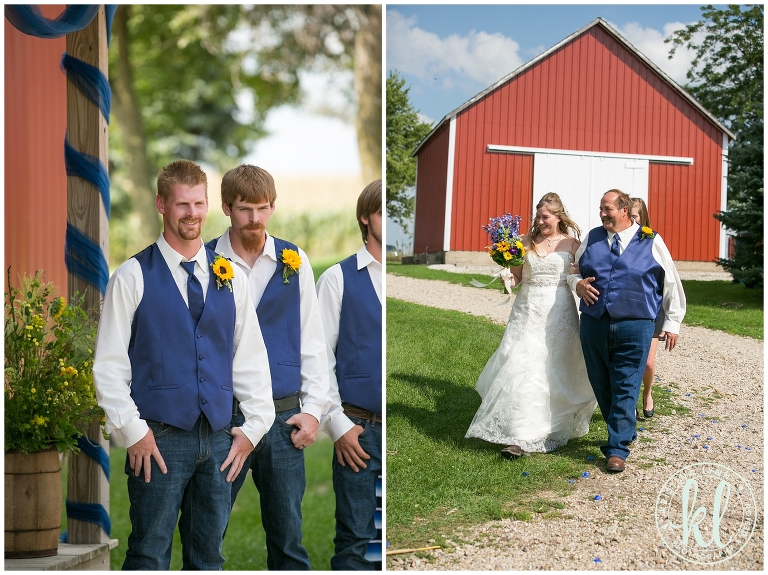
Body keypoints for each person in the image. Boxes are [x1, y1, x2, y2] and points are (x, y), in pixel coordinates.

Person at [93, 159, 275, 570]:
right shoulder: (132, 276)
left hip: (219, 438)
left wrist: (252, 430)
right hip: (158, 439)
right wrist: (134, 432)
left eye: (198, 203)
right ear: (162, 204)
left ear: (208, 205)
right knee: (148, 552)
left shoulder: (231, 277)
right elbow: (108, 366)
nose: (192, 214)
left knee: (208, 557)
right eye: (182, 204)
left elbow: (250, 358)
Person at [206, 164, 331, 570]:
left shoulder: (294, 260)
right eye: (245, 209)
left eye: (262, 208)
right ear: (226, 207)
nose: (255, 219)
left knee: (288, 539)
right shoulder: (204, 262)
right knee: (207, 535)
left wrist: (314, 411)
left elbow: (313, 340)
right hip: (224, 420)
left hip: (283, 418)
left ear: (273, 206)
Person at [465, 193, 597, 458]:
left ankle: (549, 424)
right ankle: (520, 434)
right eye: (537, 216)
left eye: (545, 217)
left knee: (554, 368)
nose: (540, 221)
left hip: (559, 312)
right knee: (522, 364)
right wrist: (508, 279)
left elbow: (578, 277)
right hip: (527, 311)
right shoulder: (524, 242)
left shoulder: (573, 244)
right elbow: (517, 277)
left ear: (558, 217)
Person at [568, 189, 685, 473]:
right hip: (594, 322)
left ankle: (617, 448)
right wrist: (577, 285)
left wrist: (672, 322)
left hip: (636, 325)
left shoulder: (651, 240)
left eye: (607, 209)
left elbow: (671, 282)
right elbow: (573, 271)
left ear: (624, 210)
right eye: (601, 209)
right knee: (600, 381)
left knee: (626, 383)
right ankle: (623, 428)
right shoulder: (593, 238)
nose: (602, 214)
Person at [316, 179, 382, 570]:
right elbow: (318, 359)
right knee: (356, 539)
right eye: (381, 213)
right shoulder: (337, 279)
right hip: (358, 429)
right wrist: (337, 425)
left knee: (392, 535)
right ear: (364, 218)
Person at [630, 197, 663, 418]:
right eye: (629, 216)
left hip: (652, 308)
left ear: (642, 218)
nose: (632, 221)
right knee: (631, 363)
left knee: (648, 363)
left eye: (635, 216)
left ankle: (648, 392)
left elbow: (666, 279)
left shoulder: (652, 240)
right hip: (630, 309)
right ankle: (629, 402)